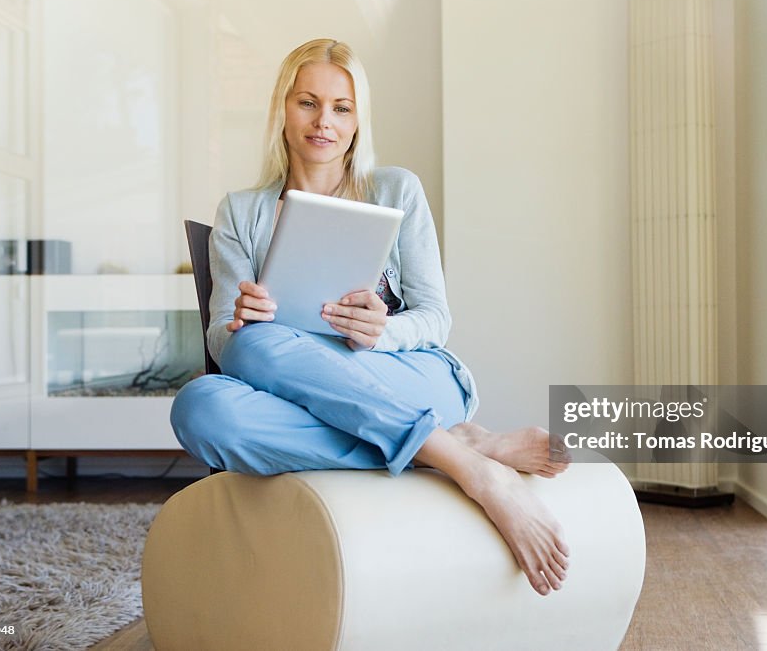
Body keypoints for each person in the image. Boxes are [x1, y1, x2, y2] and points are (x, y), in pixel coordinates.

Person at [171, 38, 570, 596]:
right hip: (294, 381)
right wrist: (240, 317)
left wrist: (383, 333)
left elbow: (435, 318)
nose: (323, 122)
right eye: (307, 102)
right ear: (282, 109)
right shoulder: (241, 211)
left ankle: (467, 467)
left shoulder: (396, 190)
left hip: (408, 378)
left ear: (358, 120)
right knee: (205, 401)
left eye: (341, 107)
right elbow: (222, 340)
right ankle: (461, 450)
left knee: (260, 350)